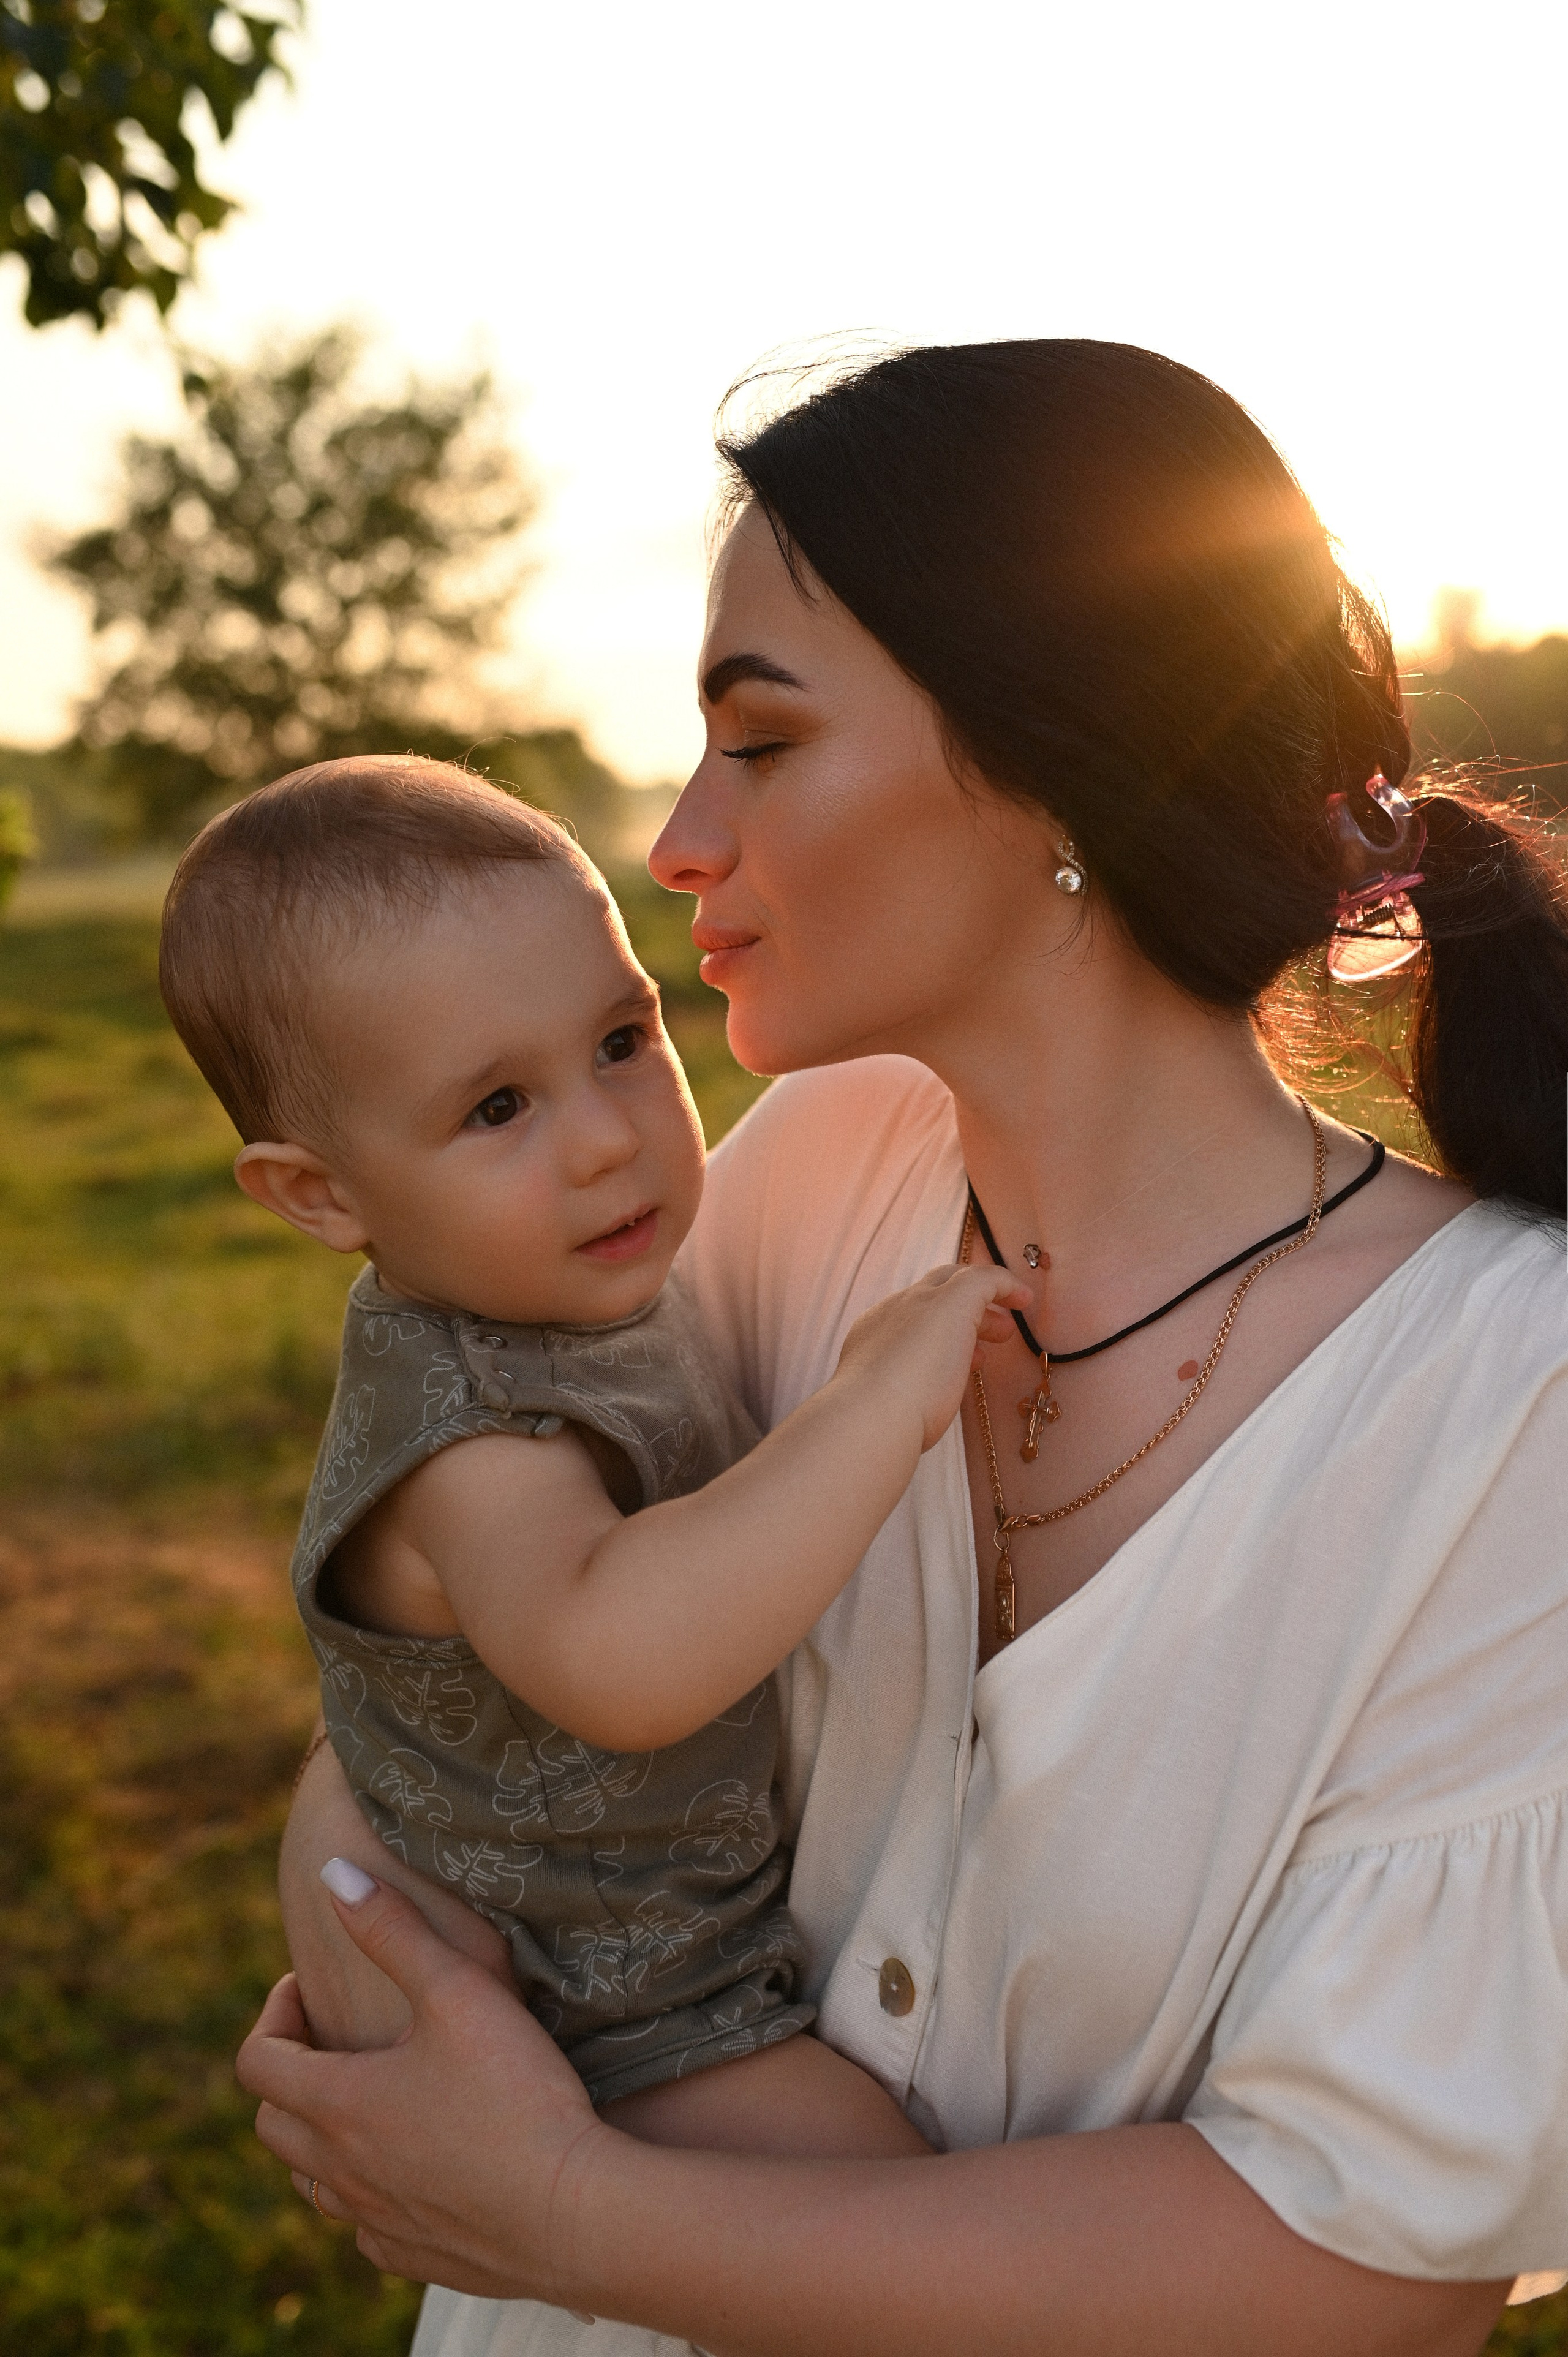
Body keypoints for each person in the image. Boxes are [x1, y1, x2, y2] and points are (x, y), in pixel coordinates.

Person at [239, 340, 1568, 2357]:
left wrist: (560, 2205)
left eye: (760, 740)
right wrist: (367, 1929)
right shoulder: (808, 1176)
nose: (679, 837)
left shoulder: (1509, 1398)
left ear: (1056, 762)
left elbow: (1355, 2266)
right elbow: (480, 1700)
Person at [159, 754, 1017, 2141]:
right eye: (498, 1108)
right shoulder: (470, 1439)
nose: (611, 1140)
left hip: (670, 1948)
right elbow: (624, 1659)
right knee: (910, 2218)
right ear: (318, 1194)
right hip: (607, 2017)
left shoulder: (559, 1284)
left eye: (622, 1040)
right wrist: (873, 1403)